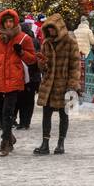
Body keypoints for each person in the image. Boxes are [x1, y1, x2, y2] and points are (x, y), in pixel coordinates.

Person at [0, 8, 37, 157]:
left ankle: (5, 143)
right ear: (2, 23)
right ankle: (9, 136)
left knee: (8, 112)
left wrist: (21, 53)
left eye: (11, 21)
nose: (9, 24)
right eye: (6, 21)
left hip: (14, 79)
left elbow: (32, 59)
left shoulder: (23, 38)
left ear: (15, 22)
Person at [34, 12, 81, 155]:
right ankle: (45, 143)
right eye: (48, 29)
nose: (51, 32)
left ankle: (61, 143)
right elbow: (43, 68)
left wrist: (72, 84)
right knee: (46, 114)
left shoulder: (70, 42)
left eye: (53, 29)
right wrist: (42, 63)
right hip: (49, 84)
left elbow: (75, 65)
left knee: (64, 114)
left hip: (64, 83)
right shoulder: (46, 43)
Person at [15, 17, 42, 129]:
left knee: (20, 99)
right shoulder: (35, 40)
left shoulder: (24, 41)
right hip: (33, 75)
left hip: (25, 74)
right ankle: (26, 122)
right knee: (29, 101)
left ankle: (22, 122)